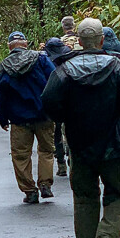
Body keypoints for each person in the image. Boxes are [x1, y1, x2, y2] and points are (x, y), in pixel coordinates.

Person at [42, 18, 120, 238]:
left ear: (78, 41)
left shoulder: (63, 70)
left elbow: (49, 104)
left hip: (80, 146)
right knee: (116, 195)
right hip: (115, 145)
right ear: (102, 40)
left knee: (85, 198)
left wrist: (69, 118)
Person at [0, 31, 56, 204]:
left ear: (9, 46)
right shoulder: (41, 59)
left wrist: (2, 118)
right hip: (43, 115)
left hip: (19, 119)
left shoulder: (2, 67)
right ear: (26, 44)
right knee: (46, 151)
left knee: (21, 155)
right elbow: (55, 80)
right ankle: (45, 184)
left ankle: (30, 191)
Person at [44, 37, 70, 177]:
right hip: (68, 100)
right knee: (69, 131)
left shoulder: (45, 60)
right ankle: (71, 159)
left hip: (55, 101)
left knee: (56, 134)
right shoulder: (68, 57)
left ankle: (61, 164)